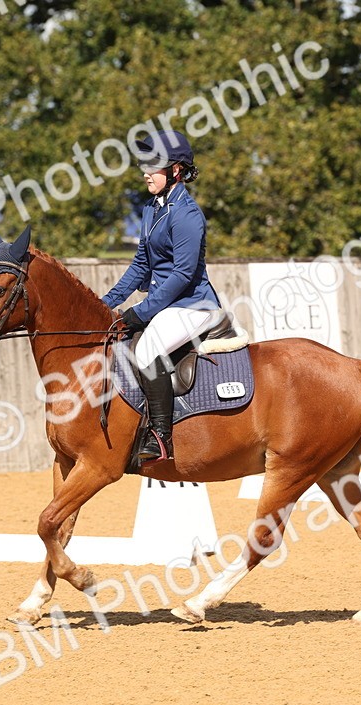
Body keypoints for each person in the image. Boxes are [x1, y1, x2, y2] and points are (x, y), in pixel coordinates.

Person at [102, 130, 223, 463]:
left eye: (153, 165)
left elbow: (183, 275)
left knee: (148, 349)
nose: (145, 172)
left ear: (176, 171)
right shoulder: (151, 210)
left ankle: (160, 437)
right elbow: (140, 266)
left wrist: (141, 311)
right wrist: (106, 303)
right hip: (166, 305)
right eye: (144, 164)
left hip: (193, 305)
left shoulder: (187, 215)